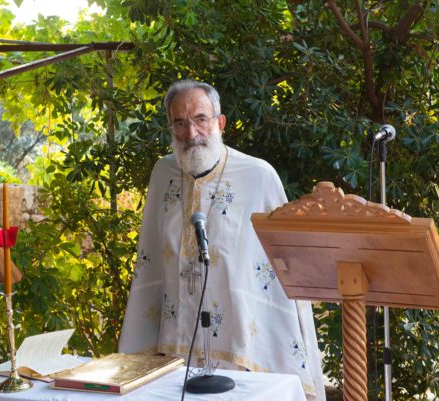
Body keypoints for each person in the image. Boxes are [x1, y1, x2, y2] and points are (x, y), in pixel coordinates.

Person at [119, 79, 326, 401]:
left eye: (201, 119)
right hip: (174, 342)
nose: (191, 133)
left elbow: (280, 270)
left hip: (240, 343)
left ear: (220, 122)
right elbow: (151, 257)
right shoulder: (163, 174)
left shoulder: (258, 176)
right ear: (170, 127)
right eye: (180, 123)